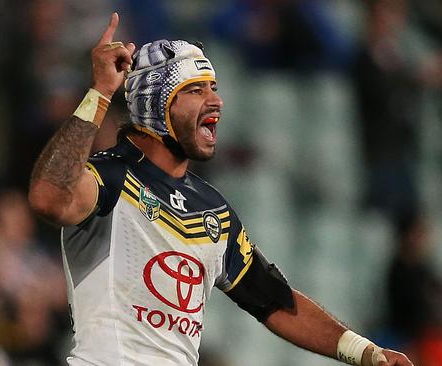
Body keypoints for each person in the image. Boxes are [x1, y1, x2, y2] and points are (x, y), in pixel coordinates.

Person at [28, 12, 413, 366]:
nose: (216, 100)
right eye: (195, 90)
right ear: (154, 103)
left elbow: (276, 301)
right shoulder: (109, 177)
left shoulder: (213, 209)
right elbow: (49, 197)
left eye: (213, 87)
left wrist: (366, 352)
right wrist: (99, 92)